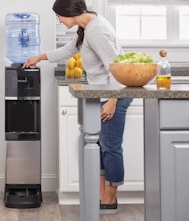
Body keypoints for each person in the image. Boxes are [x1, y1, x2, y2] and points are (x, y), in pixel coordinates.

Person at [23, 0, 133, 215]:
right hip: (104, 93)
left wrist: (112, 100)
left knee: (110, 147)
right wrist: (40, 57)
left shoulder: (96, 30)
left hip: (114, 95)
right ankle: (101, 193)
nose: (59, 20)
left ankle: (110, 199)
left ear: (69, 12)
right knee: (100, 146)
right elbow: (68, 50)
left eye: (59, 17)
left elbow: (115, 66)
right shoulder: (87, 27)